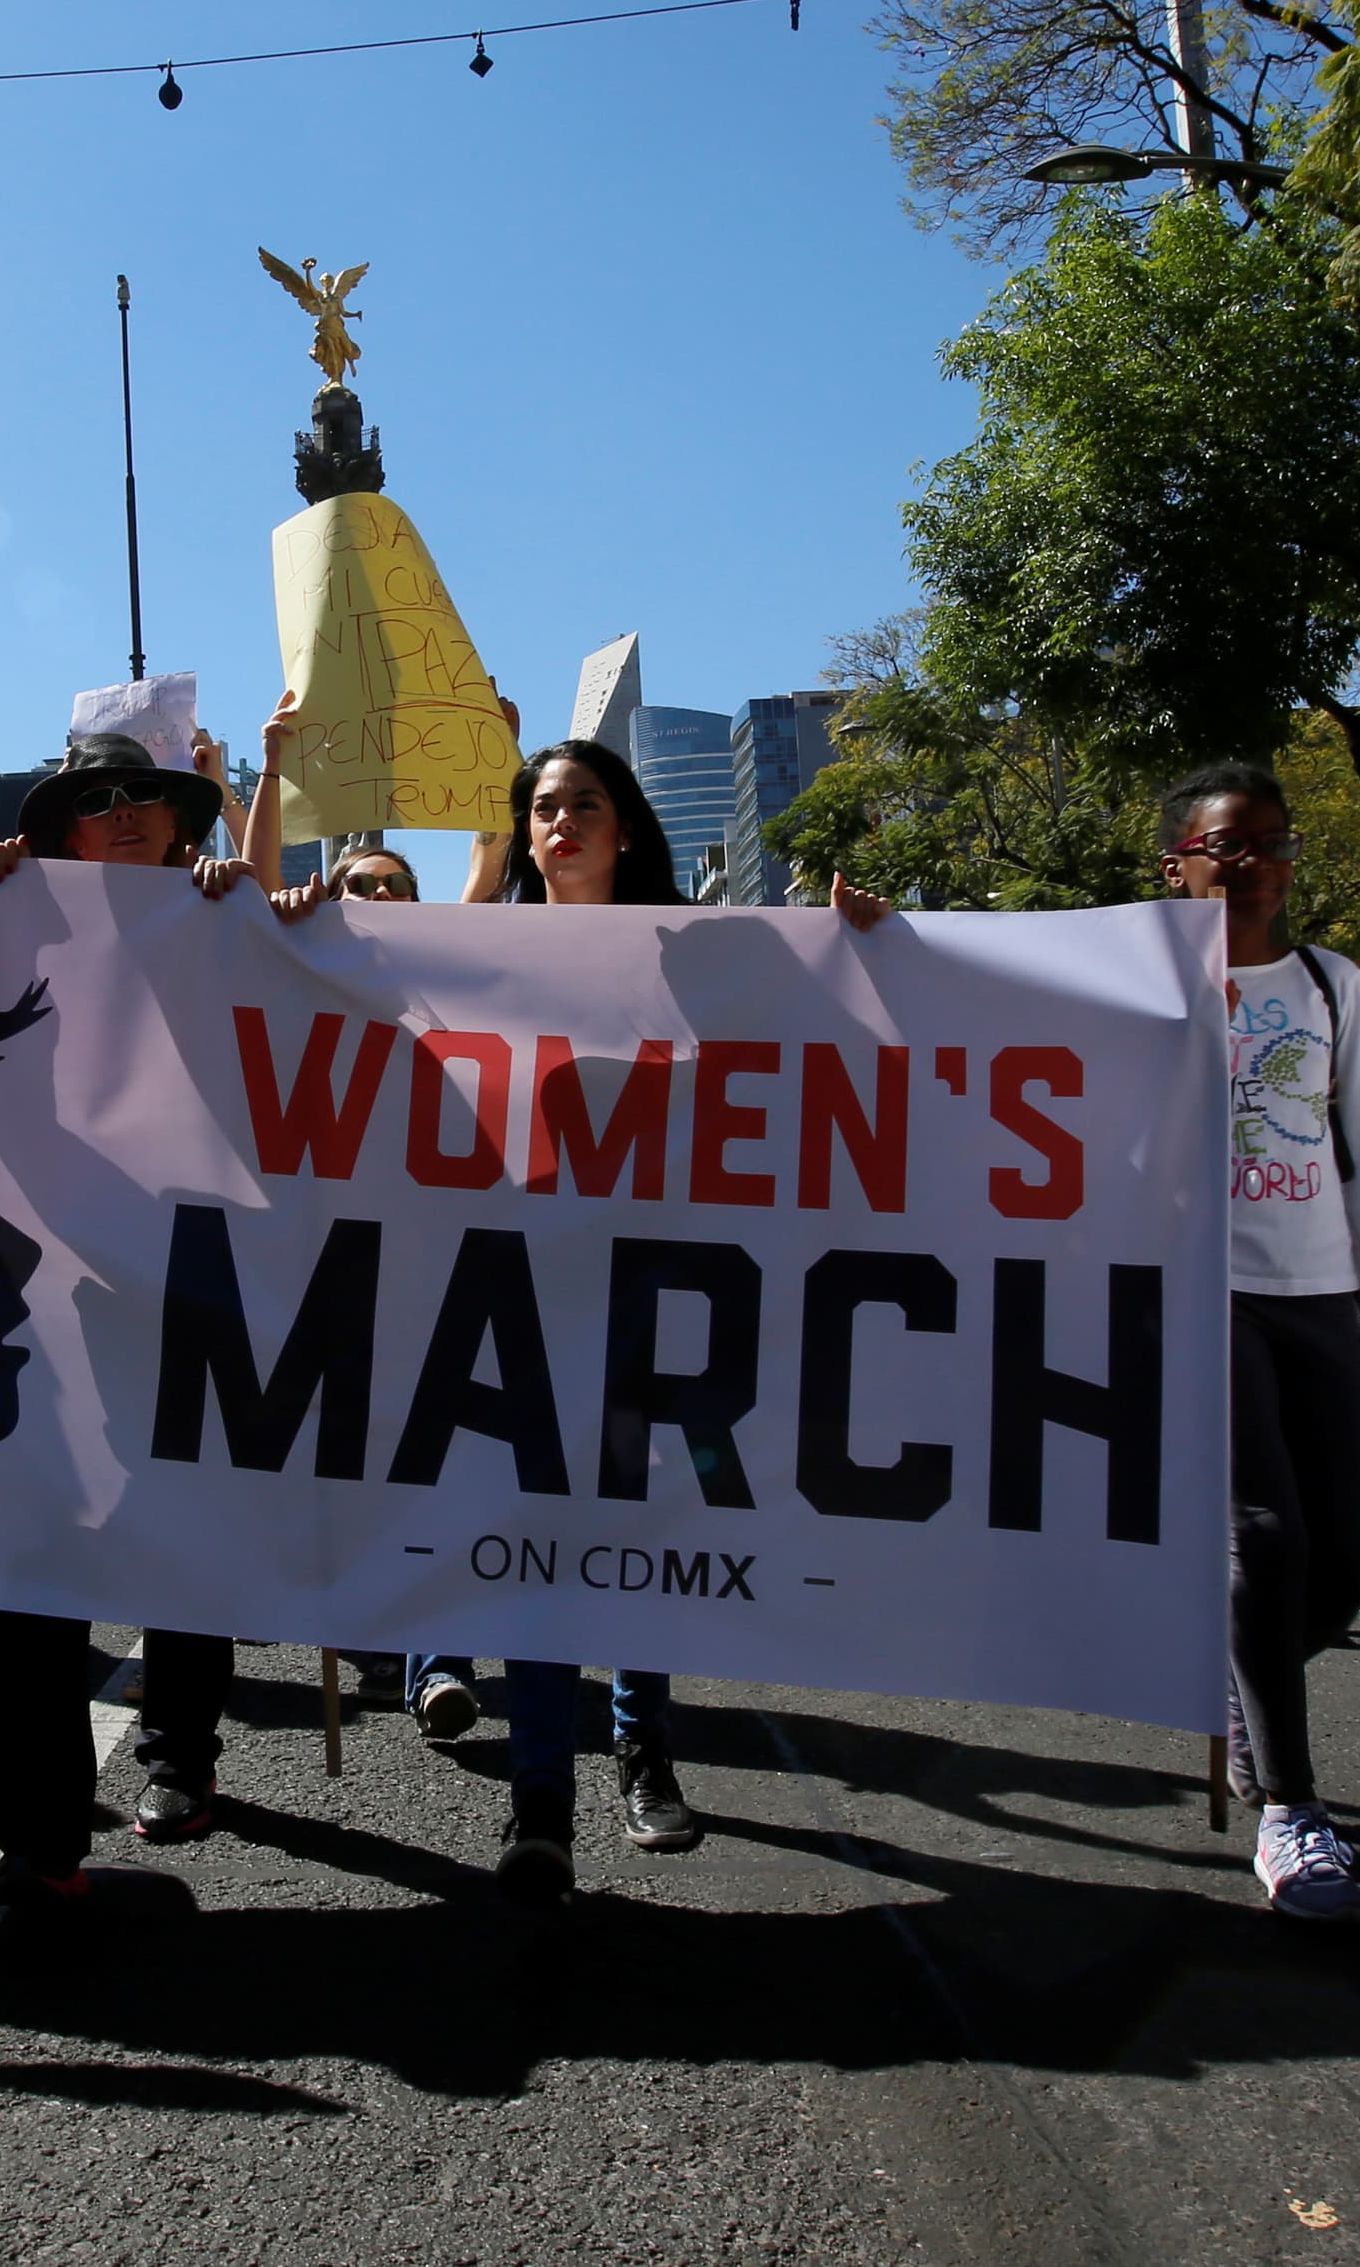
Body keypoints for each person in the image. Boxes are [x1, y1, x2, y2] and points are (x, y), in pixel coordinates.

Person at [424, 728, 884, 1903]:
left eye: (582, 803)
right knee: (535, 1546)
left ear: (627, 825)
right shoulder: (478, 958)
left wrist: (870, 946)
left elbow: (833, 1037)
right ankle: (541, 1802)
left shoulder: (709, 954)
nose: (558, 823)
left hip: (669, 1291)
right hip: (527, 1293)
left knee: (648, 1537)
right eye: (540, 808)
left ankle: (644, 1753)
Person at [0, 729, 284, 1905]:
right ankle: (41, 1835)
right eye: (100, 801)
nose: (128, 813)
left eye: (147, 795)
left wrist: (261, 910)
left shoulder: (223, 923)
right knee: (35, 1566)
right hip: (53, 1295)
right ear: (63, 833)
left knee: (181, 1540)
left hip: (195, 1279)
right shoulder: (11, 918)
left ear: (182, 822)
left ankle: (178, 1759)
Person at [1161, 764, 1360, 1925]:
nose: (1256, 861)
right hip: (1195, 1290)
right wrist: (880, 936)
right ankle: (1293, 1812)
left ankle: (1235, 1689)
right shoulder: (1139, 976)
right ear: (1179, 862)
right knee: (1263, 1538)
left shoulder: (1331, 983)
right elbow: (990, 997)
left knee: (1344, 1568)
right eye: (1228, 844)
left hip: (1316, 1290)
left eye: (1275, 841)